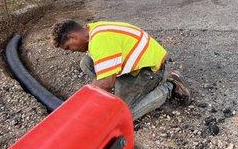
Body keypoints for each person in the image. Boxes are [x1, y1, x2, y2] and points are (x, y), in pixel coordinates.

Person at [51, 19, 191, 120]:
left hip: (149, 70)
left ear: (72, 36)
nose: (72, 51)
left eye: (69, 47)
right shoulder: (92, 30)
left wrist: (82, 104)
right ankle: (118, 84)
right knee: (86, 63)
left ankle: (170, 86)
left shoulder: (101, 41)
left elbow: (106, 83)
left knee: (123, 115)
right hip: (137, 64)